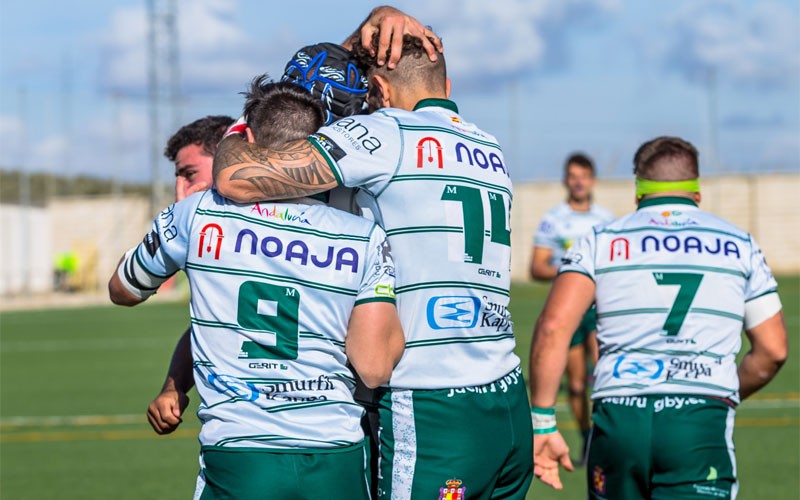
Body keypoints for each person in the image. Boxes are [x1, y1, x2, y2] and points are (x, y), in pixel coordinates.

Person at [212, 28, 533, 500]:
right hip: (505, 399)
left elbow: (240, 179)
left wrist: (246, 126)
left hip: (431, 402)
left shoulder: (384, 133)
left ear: (378, 91)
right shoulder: (489, 146)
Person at [109, 78, 405, 499]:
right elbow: (375, 367)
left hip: (242, 453)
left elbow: (123, 289)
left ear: (244, 140)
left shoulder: (196, 215)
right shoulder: (363, 236)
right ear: (311, 147)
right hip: (334, 452)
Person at [528, 136, 788, 498]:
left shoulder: (600, 239)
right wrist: (722, 389)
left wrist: (542, 425)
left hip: (619, 416)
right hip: (698, 419)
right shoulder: (739, 243)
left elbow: (553, 327)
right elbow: (773, 351)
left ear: (638, 192)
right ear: (697, 192)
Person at [528, 152, 614, 462]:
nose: (578, 182)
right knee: (577, 385)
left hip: (600, 308)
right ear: (566, 179)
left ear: (592, 180)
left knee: (605, 375)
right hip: (569, 310)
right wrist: (575, 272)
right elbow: (536, 267)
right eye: (573, 176)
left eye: (584, 176)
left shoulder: (607, 220)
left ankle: (607, 438)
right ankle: (587, 436)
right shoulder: (553, 220)